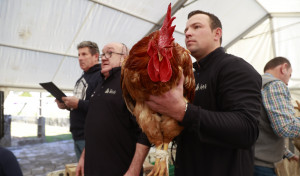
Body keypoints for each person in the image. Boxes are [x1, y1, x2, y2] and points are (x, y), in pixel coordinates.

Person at [145, 10, 262, 175]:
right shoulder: (186, 75)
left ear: (217, 33)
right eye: (186, 30)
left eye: (196, 27)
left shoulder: (235, 68)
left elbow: (246, 130)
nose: (188, 33)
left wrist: (183, 111)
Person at [76, 42, 150, 176]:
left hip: (119, 169)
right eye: (103, 54)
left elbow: (146, 131)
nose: (104, 57)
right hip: (93, 168)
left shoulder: (131, 84)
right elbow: (95, 126)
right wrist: (83, 157)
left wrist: (134, 170)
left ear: (125, 58)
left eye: (110, 53)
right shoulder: (100, 82)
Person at [55, 41, 102, 161]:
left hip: (90, 137)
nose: (80, 58)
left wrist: (78, 103)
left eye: (84, 54)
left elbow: (101, 106)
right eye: (79, 55)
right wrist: (66, 105)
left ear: (96, 56)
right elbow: (80, 104)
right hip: (77, 135)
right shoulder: (82, 77)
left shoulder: (100, 76)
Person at [254, 57, 300, 176]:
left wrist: (287, 153)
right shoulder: (275, 85)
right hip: (263, 165)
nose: (287, 82)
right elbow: (285, 127)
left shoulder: (257, 84)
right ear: (283, 68)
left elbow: (263, 126)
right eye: (289, 75)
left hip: (253, 159)